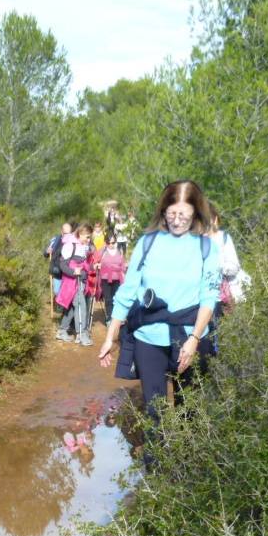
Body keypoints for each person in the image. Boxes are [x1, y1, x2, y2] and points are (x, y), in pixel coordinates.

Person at [97, 180, 219, 465]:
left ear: (195, 213)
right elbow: (128, 291)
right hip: (149, 338)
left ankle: (189, 469)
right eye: (171, 214)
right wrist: (110, 335)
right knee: (154, 409)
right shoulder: (148, 243)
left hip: (189, 337)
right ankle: (156, 473)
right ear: (163, 211)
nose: (177, 221)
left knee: (190, 408)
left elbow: (208, 298)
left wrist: (194, 339)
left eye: (184, 215)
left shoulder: (206, 248)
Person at [55, 222, 94, 346]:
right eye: (87, 237)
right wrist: (74, 272)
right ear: (81, 234)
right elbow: (62, 266)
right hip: (71, 283)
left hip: (79, 282)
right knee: (81, 305)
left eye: (90, 237)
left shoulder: (82, 246)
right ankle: (81, 335)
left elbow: (84, 265)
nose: (89, 240)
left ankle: (62, 331)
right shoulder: (70, 245)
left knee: (72, 308)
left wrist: (93, 267)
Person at [96, 233, 127, 323]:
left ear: (116, 242)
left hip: (117, 279)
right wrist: (97, 265)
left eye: (113, 242)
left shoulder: (119, 251)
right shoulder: (102, 251)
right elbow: (95, 261)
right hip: (105, 278)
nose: (111, 245)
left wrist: (124, 272)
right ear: (105, 242)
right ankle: (109, 318)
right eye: (108, 242)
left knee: (116, 298)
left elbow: (122, 265)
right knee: (108, 298)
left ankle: (116, 318)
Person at [43, 222, 71, 307]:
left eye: (69, 233)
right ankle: (60, 305)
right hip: (57, 270)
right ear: (62, 232)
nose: (68, 235)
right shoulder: (55, 240)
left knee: (67, 292)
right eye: (66, 233)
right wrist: (47, 251)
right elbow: (46, 253)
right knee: (57, 291)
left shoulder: (73, 241)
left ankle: (64, 310)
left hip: (68, 271)